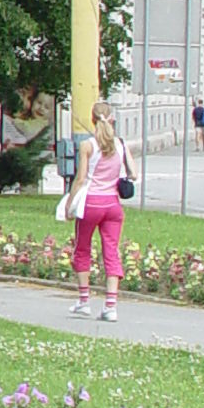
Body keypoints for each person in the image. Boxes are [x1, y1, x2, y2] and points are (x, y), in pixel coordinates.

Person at [69, 97, 129, 323]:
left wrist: (68, 204)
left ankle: (84, 301)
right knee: (111, 252)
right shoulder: (120, 144)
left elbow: (81, 178)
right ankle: (111, 306)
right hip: (113, 205)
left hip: (91, 204)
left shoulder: (87, 145)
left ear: (93, 120)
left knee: (82, 249)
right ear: (112, 119)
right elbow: (131, 173)